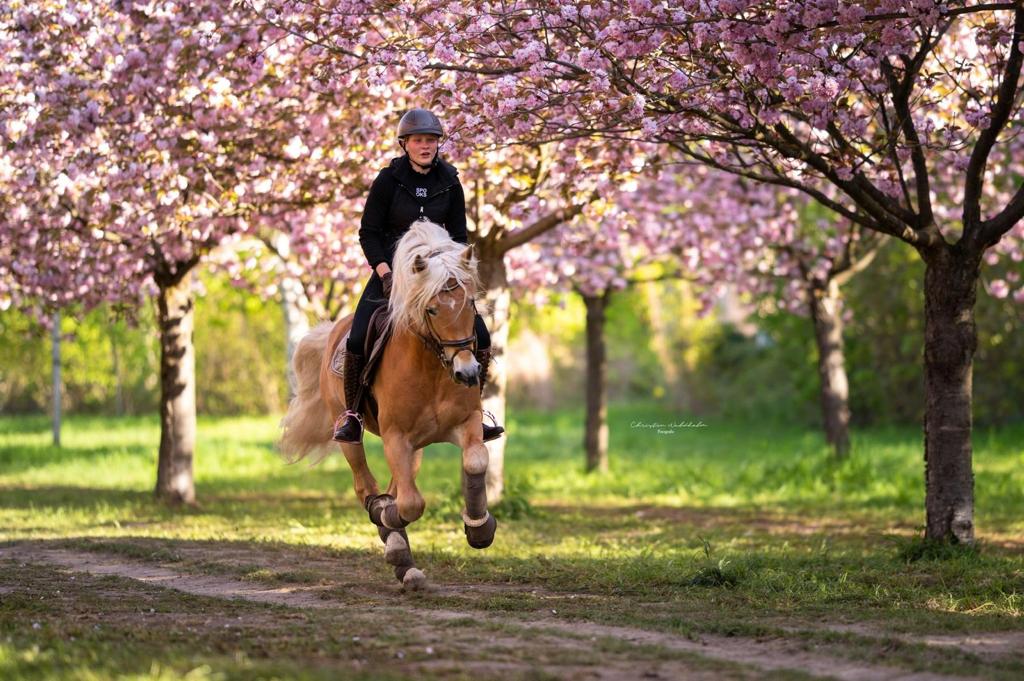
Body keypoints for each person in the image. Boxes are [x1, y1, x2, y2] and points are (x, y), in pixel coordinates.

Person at [333, 108, 505, 445]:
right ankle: (353, 414)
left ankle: (476, 408)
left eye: (431, 140)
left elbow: (458, 234)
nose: (425, 146)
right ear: (405, 144)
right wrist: (384, 273)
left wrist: (453, 272)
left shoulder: (451, 182)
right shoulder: (387, 181)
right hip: (393, 274)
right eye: (418, 140)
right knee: (356, 337)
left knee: (481, 336)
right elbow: (369, 233)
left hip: (437, 276)